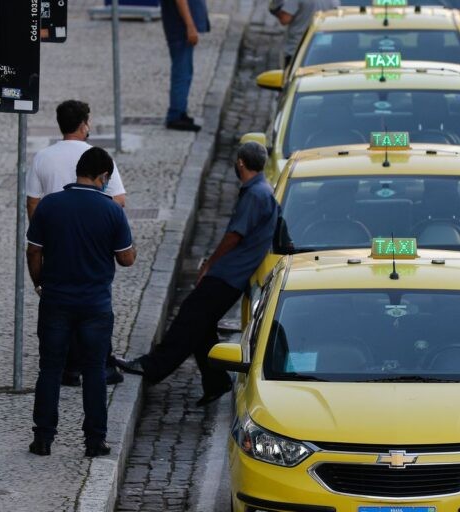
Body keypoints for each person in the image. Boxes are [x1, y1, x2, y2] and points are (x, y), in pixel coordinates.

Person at [114, 142, 277, 406]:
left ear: (240, 164)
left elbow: (234, 235)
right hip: (234, 275)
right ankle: (216, 382)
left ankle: (153, 366)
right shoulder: (263, 190)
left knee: (189, 319)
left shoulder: (256, 195)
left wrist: (209, 264)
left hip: (228, 274)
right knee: (202, 327)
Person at [26, 147, 137, 457]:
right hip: (95, 305)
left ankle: (43, 438)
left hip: (56, 301)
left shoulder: (50, 206)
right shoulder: (111, 211)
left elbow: (33, 250)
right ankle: (94, 441)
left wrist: (39, 282)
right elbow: (126, 258)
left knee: (49, 369)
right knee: (94, 371)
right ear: (102, 177)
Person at [27, 99, 127, 387]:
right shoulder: (97, 157)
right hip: (93, 240)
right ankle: (100, 364)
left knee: (60, 304)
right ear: (84, 125)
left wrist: (44, 233)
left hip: (56, 241)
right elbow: (119, 199)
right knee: (96, 303)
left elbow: (33, 202)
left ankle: (68, 367)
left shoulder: (42, 158)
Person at [160, 0, 210, 132]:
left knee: (185, 70)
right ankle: (175, 115)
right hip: (179, 27)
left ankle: (180, 111)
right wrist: (190, 25)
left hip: (177, 24)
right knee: (181, 72)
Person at [269, 0, 339, 67]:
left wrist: (274, 8)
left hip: (297, 48)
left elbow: (285, 19)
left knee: (293, 77)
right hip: (323, 46)